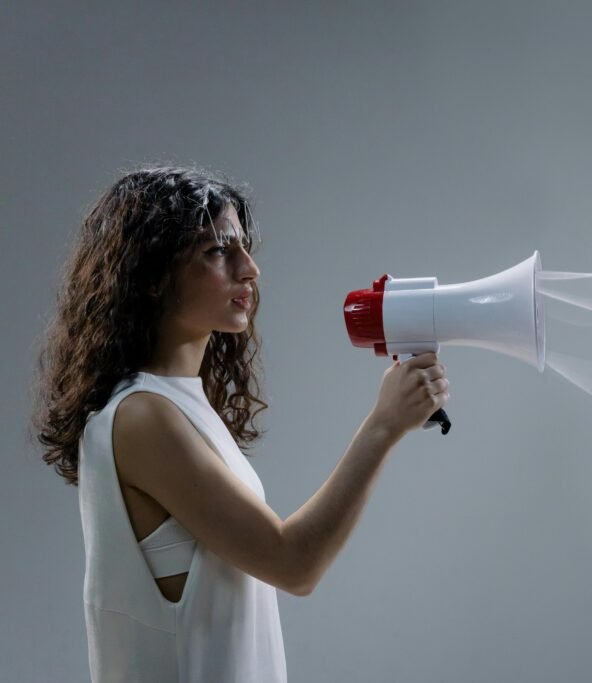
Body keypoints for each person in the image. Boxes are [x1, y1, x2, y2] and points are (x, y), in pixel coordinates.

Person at [31, 165, 449, 682]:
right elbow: (293, 562)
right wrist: (384, 425)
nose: (249, 269)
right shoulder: (141, 417)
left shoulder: (179, 406)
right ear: (153, 276)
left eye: (244, 248)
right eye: (218, 251)